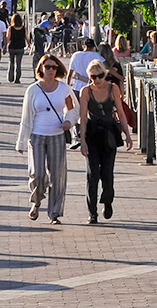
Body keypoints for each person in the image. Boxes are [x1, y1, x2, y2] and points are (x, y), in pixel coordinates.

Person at [16, 54, 76, 224]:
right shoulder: (33, 89)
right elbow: (26, 116)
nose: (50, 70)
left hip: (56, 136)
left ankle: (55, 213)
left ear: (58, 69)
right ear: (41, 68)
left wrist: (68, 121)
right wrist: (21, 141)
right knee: (37, 173)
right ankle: (36, 202)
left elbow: (71, 109)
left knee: (57, 175)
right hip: (37, 136)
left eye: (54, 67)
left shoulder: (63, 88)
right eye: (47, 66)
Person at [79, 60, 130, 223]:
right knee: (92, 174)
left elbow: (121, 113)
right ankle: (92, 212)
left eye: (100, 76)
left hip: (109, 134)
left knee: (107, 173)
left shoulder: (113, 89)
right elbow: (83, 118)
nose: (97, 80)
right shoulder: (85, 91)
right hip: (92, 133)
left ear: (105, 74)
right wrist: (82, 140)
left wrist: (127, 134)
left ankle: (107, 200)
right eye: (93, 77)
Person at [8, 14, 28, 84]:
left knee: (11, 62)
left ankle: (11, 78)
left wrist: (4, 45)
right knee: (18, 63)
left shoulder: (11, 28)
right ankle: (17, 78)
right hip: (20, 47)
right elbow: (27, 37)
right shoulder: (23, 28)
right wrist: (29, 45)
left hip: (12, 47)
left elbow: (8, 38)